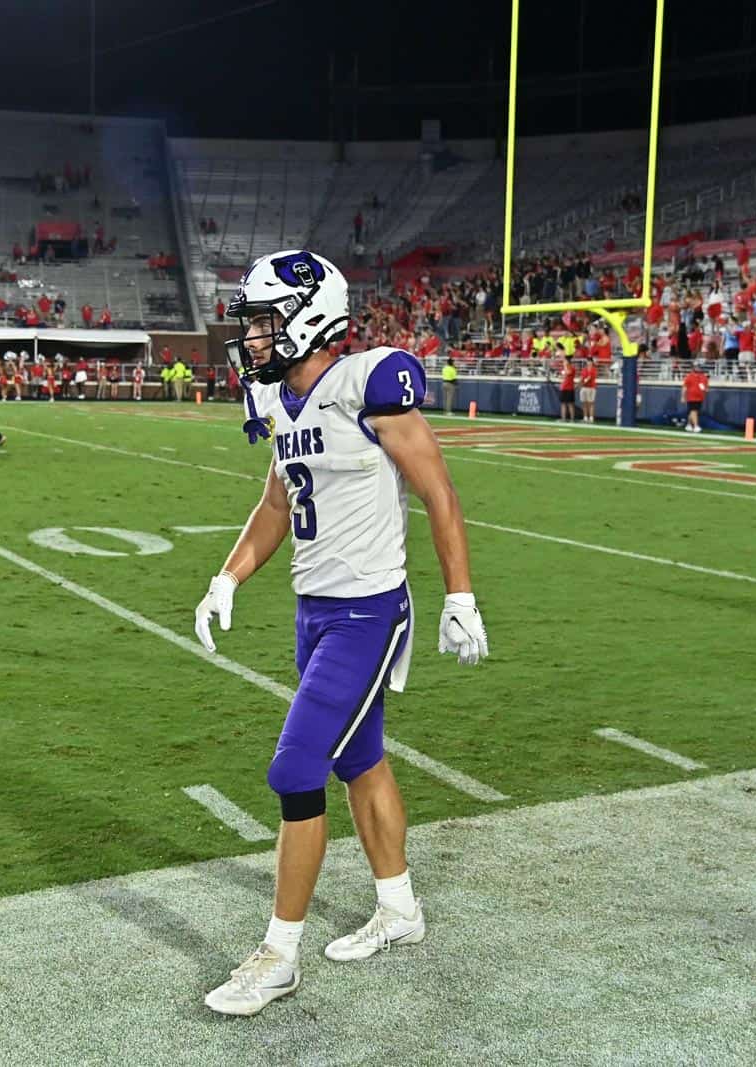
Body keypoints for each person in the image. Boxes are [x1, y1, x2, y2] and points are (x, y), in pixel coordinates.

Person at [193, 250, 486, 1018]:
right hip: (312, 612)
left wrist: (461, 595)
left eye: (264, 320)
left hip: (368, 613)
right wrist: (228, 576)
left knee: (296, 770)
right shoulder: (278, 405)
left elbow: (439, 491)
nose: (253, 336)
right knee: (361, 757)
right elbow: (275, 505)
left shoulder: (369, 383)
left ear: (309, 316)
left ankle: (278, 955)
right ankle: (400, 908)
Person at [682, 362, 708, 432]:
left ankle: (688, 425)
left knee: (693, 411)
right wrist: (683, 397)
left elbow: (705, 387)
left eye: (699, 367)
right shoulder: (689, 376)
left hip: (700, 397)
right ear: (693, 368)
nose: (698, 368)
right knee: (694, 411)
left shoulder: (703, 377)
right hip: (691, 397)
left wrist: (705, 390)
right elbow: (684, 387)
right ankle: (696, 426)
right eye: (696, 367)